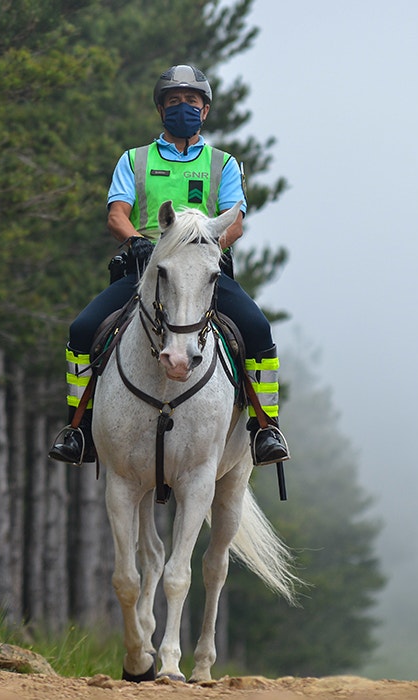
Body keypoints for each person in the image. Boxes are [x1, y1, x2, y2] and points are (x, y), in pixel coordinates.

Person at [49, 64, 290, 467]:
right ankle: (79, 428)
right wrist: (137, 243)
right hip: (144, 268)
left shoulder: (223, 163)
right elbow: (117, 215)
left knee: (258, 330)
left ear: (205, 110)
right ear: (161, 110)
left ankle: (266, 427)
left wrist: (202, 251)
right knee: (82, 330)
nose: (183, 107)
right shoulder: (134, 159)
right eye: (174, 101)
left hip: (202, 271)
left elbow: (235, 222)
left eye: (191, 101)